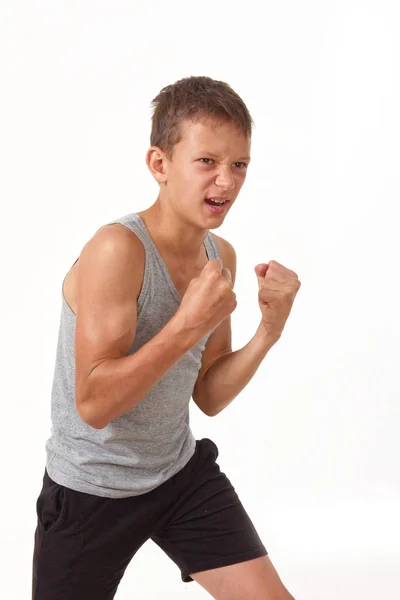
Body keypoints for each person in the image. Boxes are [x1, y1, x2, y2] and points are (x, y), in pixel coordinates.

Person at [32, 75, 301, 600]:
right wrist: (187, 326)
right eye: (207, 162)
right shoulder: (117, 250)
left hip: (177, 475)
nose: (225, 182)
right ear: (160, 165)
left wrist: (268, 331)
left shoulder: (218, 257)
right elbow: (92, 403)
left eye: (239, 164)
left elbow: (208, 394)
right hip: (91, 489)